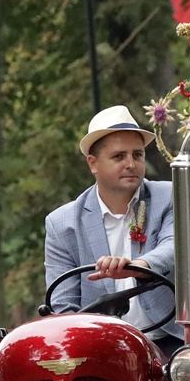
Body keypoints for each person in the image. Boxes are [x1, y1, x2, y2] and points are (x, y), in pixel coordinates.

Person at [42, 105, 177, 339]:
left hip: (170, 341)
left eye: (137, 155)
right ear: (92, 164)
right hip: (101, 349)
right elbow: (63, 307)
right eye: (118, 156)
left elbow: (174, 247)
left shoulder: (170, 196)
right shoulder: (61, 224)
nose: (131, 164)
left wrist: (139, 266)